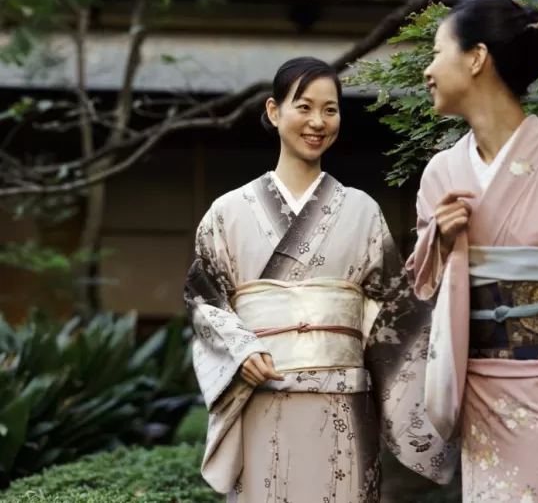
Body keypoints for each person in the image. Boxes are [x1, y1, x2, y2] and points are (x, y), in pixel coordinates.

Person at [184, 56, 457, 502]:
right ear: (274, 112)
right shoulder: (227, 212)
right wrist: (240, 349)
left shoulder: (362, 211)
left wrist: (442, 256)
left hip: (344, 405)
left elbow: (398, 313)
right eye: (304, 107)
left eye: (330, 110)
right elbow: (204, 301)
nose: (318, 122)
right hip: (263, 396)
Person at [406, 0, 538, 502]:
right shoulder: (442, 173)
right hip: (479, 390)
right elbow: (422, 283)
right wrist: (441, 237)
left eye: (437, 52)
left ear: (476, 58)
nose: (429, 70)